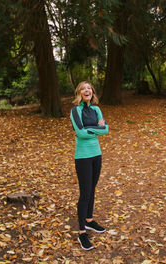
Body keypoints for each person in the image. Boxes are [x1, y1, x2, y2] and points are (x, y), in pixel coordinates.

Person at [69, 81, 109, 250]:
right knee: (85, 193)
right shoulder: (75, 111)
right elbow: (79, 132)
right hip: (83, 157)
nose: (87, 90)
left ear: (92, 92)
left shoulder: (96, 109)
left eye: (90, 88)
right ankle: (82, 233)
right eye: (84, 88)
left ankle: (90, 220)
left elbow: (105, 129)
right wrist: (96, 128)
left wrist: (89, 129)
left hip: (96, 155)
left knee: (92, 189)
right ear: (79, 92)